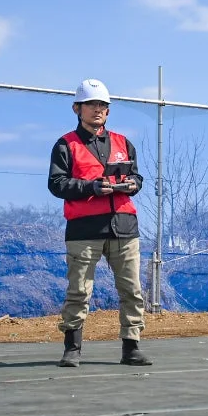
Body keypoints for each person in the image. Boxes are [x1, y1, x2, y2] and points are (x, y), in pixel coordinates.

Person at [47, 78, 152, 368]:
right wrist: (91, 187)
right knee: (79, 291)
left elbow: (137, 176)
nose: (98, 109)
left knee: (131, 290)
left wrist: (134, 184)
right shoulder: (65, 145)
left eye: (103, 105)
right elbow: (57, 184)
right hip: (84, 229)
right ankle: (72, 348)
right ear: (77, 108)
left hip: (124, 226)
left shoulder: (123, 142)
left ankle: (131, 347)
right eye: (91, 104)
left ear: (108, 110)